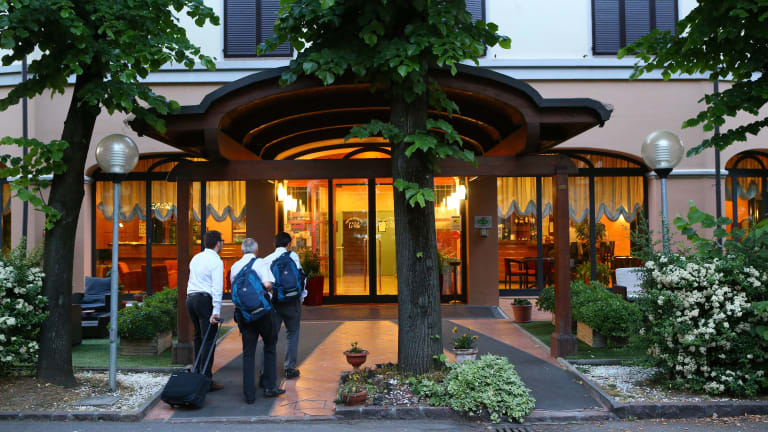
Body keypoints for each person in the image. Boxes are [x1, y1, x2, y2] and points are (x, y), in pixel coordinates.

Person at [230, 238, 286, 402]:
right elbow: (268, 284)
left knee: (248, 353)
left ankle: (249, 394)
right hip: (262, 312)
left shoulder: (235, 266)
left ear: (242, 250)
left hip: (245, 315)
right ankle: (269, 387)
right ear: (256, 250)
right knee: (269, 345)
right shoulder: (260, 263)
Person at [263, 232, 307, 379]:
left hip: (275, 303)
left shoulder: (267, 260)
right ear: (289, 244)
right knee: (292, 334)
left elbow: (264, 283)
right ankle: (289, 368)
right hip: (292, 302)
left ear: (274, 244)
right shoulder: (293, 257)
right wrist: (301, 297)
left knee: (270, 336)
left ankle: (266, 371)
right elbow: (302, 278)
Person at [186, 230, 225, 391]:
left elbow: (191, 280)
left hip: (191, 299)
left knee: (198, 337)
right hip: (204, 300)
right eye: (221, 242)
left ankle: (197, 375)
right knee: (208, 339)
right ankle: (206, 380)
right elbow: (217, 287)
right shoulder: (216, 260)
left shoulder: (196, 258)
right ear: (218, 243)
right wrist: (216, 310)